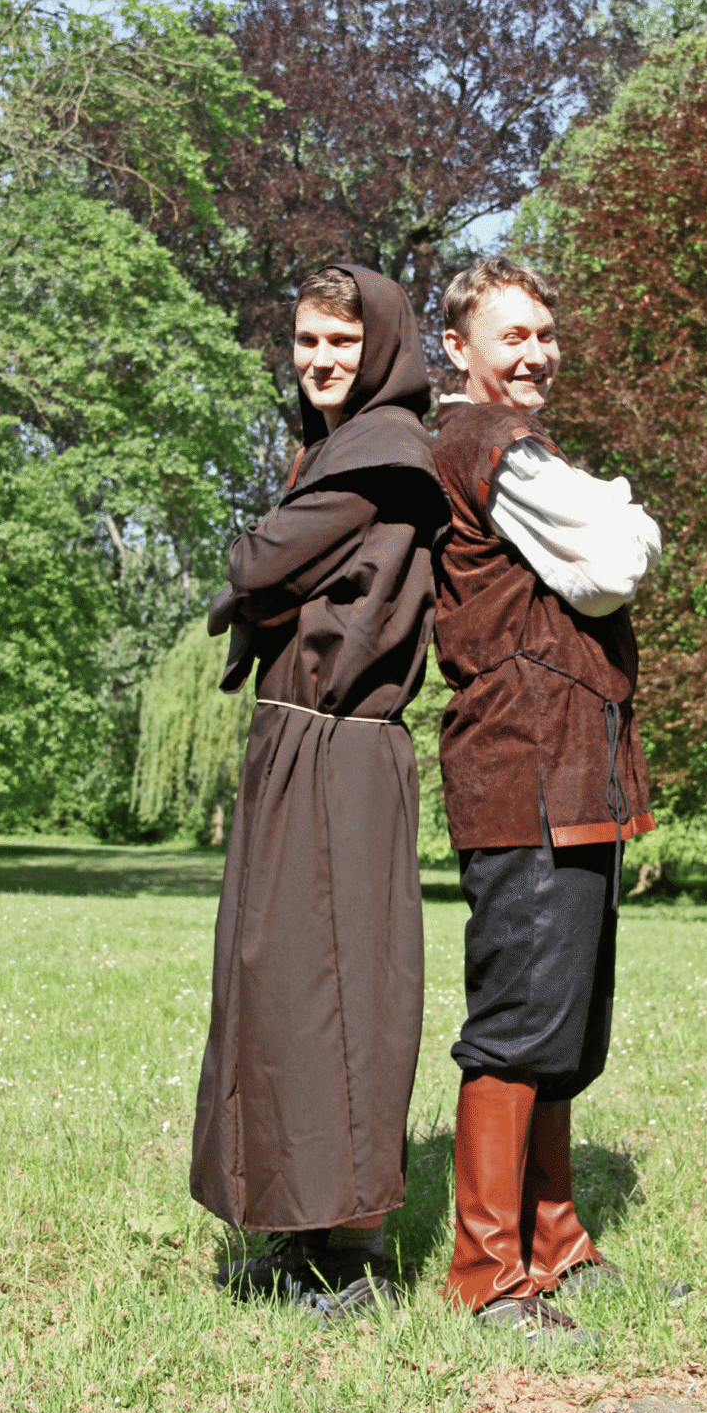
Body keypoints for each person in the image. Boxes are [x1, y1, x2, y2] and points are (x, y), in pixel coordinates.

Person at [191, 264, 449, 1321]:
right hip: (298, 741)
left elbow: (258, 562)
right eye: (306, 341)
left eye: (341, 341)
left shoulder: (383, 451)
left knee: (343, 998)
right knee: (281, 985)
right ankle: (296, 1234)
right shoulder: (336, 451)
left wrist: (255, 583)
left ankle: (356, 1256)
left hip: (341, 751)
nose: (320, 360)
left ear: (380, 346)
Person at [431, 256, 663, 1341]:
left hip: (567, 769)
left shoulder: (523, 446)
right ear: (458, 348)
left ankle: (557, 1246)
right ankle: (486, 1275)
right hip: (523, 768)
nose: (535, 353)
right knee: (520, 1022)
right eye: (511, 335)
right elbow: (612, 567)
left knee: (564, 1023)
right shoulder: (490, 443)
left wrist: (614, 517)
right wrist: (630, 515)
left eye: (544, 333)